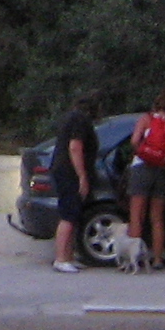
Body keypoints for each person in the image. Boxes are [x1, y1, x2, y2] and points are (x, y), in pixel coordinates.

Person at [127, 93, 165, 271]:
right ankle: (157, 259)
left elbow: (134, 141)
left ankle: (134, 259)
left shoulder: (146, 119)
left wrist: (143, 153)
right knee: (157, 218)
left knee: (137, 216)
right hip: (162, 171)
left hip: (142, 168)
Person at [50, 97, 101, 272]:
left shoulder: (70, 118)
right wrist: (82, 175)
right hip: (69, 173)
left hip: (64, 171)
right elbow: (75, 147)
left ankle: (69, 256)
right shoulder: (80, 120)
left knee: (74, 213)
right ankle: (61, 259)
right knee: (69, 214)